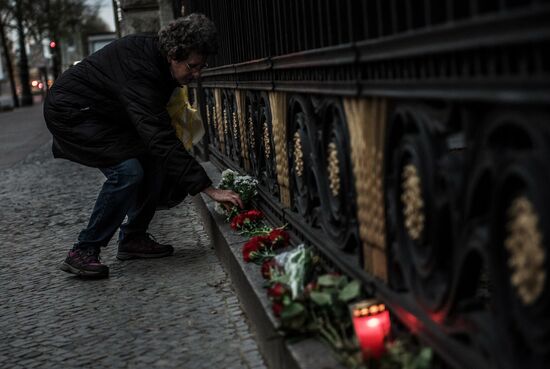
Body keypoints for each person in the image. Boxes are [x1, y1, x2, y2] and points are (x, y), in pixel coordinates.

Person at [44, 13, 243, 279]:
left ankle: (133, 239)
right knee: (127, 173)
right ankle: (83, 250)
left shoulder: (158, 60)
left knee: (152, 160)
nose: (196, 74)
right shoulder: (142, 69)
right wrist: (209, 189)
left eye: (201, 67)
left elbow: (157, 136)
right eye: (193, 66)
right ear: (174, 54)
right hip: (72, 113)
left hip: (103, 113)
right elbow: (159, 135)